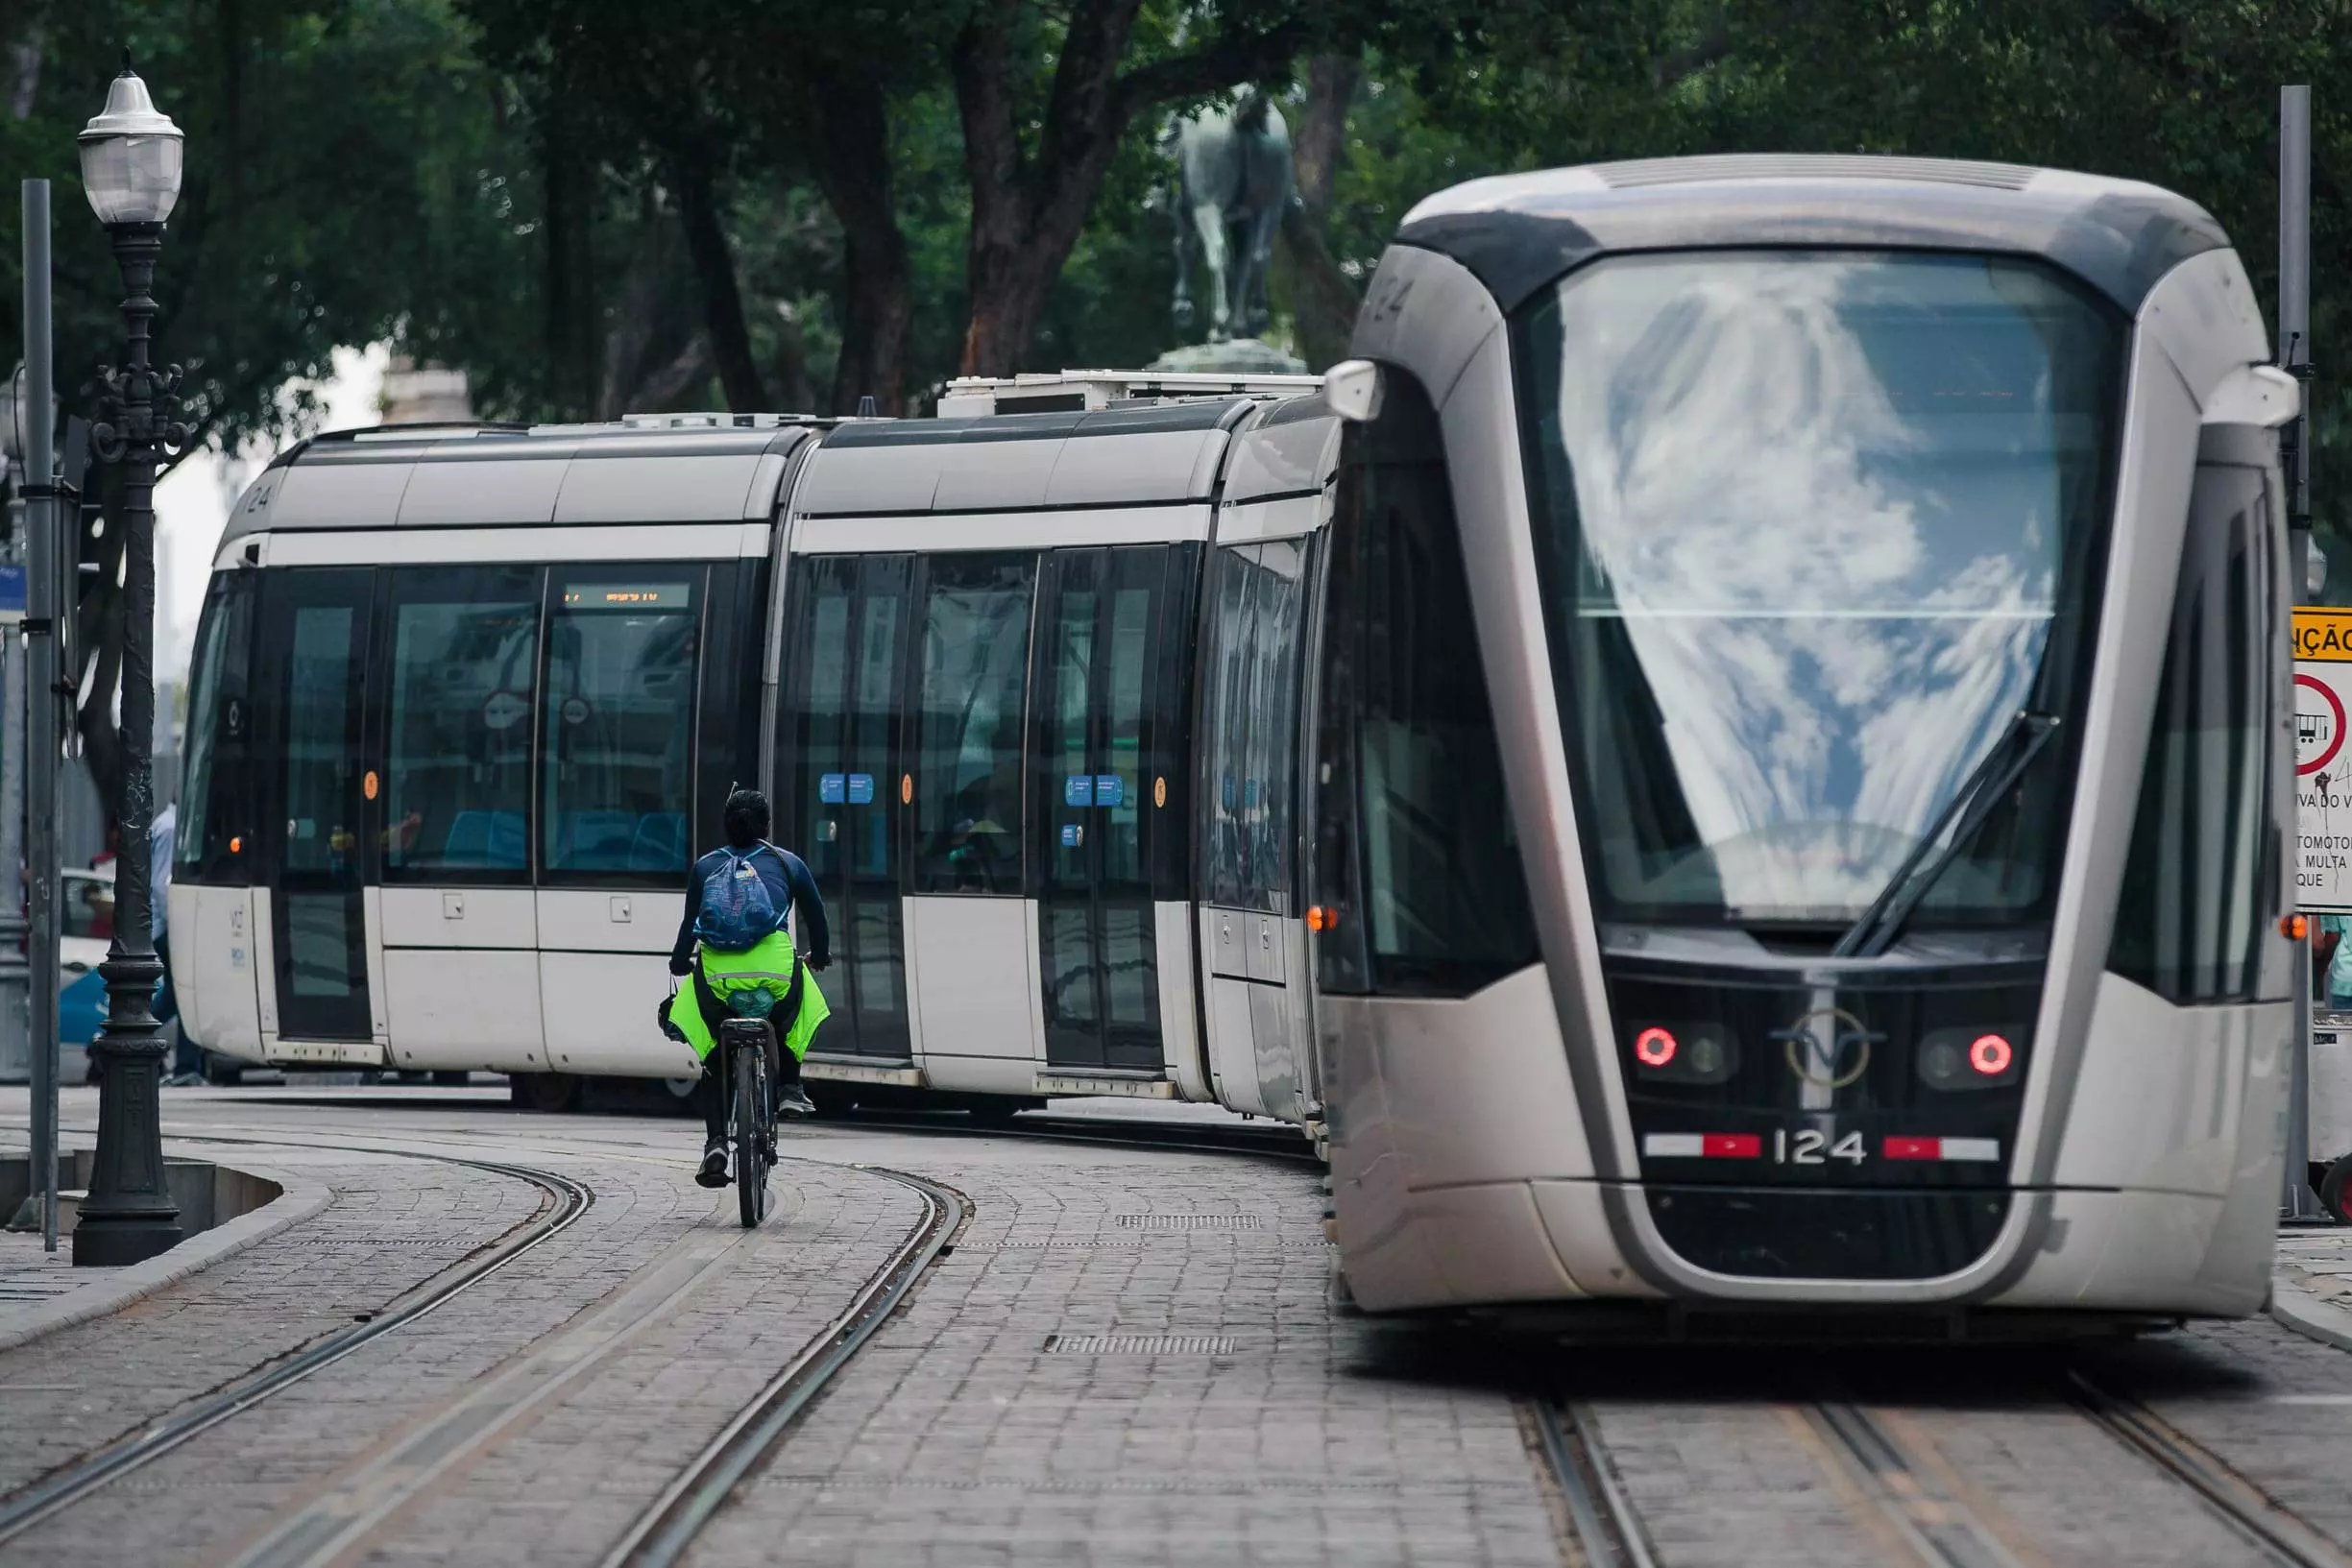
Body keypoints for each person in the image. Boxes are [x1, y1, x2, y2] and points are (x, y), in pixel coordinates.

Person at [666, 788, 831, 1187]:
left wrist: (678, 963)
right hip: (775, 974)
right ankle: (790, 1085)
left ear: (725, 826)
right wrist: (820, 957)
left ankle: (717, 1143)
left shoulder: (705, 868)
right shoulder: (788, 863)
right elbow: (817, 921)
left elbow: (689, 929)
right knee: (800, 1005)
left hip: (718, 978)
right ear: (767, 827)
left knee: (713, 1056)